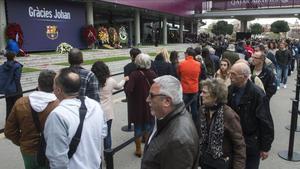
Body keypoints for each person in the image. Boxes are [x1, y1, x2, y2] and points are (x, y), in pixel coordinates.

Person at [44, 68, 107, 169]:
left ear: (58, 90)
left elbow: (57, 159)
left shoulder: (58, 115)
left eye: (54, 85)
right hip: (95, 165)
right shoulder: (95, 105)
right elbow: (103, 133)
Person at [141, 75, 199, 169]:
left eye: (151, 95)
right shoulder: (166, 118)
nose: (147, 99)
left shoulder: (179, 140)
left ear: (167, 101)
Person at [5, 70, 59, 169]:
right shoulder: (59, 105)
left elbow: (9, 131)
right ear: (55, 86)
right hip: (51, 150)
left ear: (38, 83)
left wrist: (23, 141)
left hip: (28, 150)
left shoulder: (20, 103)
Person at [227, 62, 274, 169]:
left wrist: (265, 147)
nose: (230, 76)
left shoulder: (258, 94)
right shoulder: (230, 89)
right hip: (233, 141)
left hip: (251, 144)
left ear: (243, 76)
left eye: (233, 74)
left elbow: (265, 122)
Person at [197, 79, 246, 169]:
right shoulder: (202, 110)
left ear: (215, 96)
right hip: (203, 161)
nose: (201, 95)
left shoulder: (229, 115)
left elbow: (239, 146)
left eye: (204, 92)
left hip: (221, 164)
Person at [124, 53, 157, 157]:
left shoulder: (133, 74)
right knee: (148, 126)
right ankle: (148, 148)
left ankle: (138, 150)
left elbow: (129, 90)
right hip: (149, 104)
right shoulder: (152, 74)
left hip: (137, 105)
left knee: (138, 127)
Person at [91, 61, 128, 150]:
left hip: (95, 112)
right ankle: (108, 156)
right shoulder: (110, 81)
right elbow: (119, 86)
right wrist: (124, 79)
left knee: (95, 136)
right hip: (107, 112)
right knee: (107, 134)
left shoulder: (92, 81)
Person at [177, 47, 201, 122]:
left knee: (185, 108)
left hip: (185, 89)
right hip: (194, 89)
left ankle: (186, 123)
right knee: (194, 108)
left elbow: (178, 74)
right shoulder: (198, 64)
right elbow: (199, 74)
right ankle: (195, 123)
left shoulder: (181, 64)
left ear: (187, 54)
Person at [1, 51, 23, 120]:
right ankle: (16, 125)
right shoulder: (17, 66)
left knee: (9, 108)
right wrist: (19, 91)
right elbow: (17, 79)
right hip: (15, 90)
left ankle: (8, 125)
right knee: (18, 108)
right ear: (14, 57)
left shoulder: (2, 66)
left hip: (7, 90)